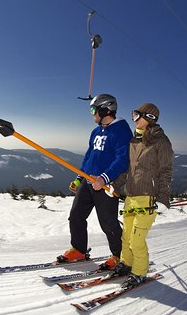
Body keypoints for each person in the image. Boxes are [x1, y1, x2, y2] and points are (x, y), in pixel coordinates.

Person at [57, 94, 133, 271]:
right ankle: (79, 250)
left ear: (104, 110)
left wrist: (104, 178)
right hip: (89, 182)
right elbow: (89, 157)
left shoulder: (121, 130)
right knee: (76, 215)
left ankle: (119, 256)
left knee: (108, 223)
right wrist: (79, 177)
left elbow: (123, 159)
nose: (92, 114)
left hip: (106, 185)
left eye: (93, 110)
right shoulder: (96, 131)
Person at [111, 102, 173, 289]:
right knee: (127, 236)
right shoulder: (134, 141)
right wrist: (114, 185)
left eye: (137, 115)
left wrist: (163, 197)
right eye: (134, 115)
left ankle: (139, 272)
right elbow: (128, 170)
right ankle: (126, 263)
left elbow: (166, 172)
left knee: (137, 239)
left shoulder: (161, 142)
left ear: (149, 118)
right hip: (131, 196)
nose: (134, 119)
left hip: (148, 198)